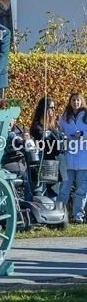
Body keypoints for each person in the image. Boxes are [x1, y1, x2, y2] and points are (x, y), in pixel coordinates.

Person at [58, 92, 87, 224]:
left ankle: (77, 217)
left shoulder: (86, 116)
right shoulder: (64, 118)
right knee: (64, 190)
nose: (76, 102)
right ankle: (60, 215)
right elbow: (58, 133)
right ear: (70, 102)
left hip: (83, 160)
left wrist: (82, 133)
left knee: (81, 191)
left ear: (81, 101)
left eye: (78, 100)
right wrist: (64, 138)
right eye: (73, 100)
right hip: (68, 159)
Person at [31, 96, 63, 197]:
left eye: (54, 108)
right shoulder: (38, 127)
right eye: (51, 108)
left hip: (57, 161)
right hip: (47, 162)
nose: (53, 110)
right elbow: (50, 144)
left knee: (56, 193)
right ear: (44, 109)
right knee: (50, 194)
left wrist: (52, 133)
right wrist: (50, 135)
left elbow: (61, 141)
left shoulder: (54, 125)